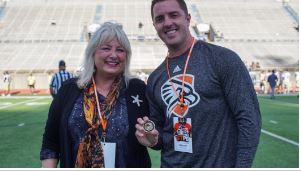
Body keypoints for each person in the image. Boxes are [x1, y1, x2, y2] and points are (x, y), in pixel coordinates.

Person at [135, 0, 261, 168]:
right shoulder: (155, 77)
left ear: (188, 19)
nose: (167, 23)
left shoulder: (222, 59)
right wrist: (152, 139)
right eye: (160, 18)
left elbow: (249, 118)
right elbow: (160, 135)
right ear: (155, 25)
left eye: (174, 15)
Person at [40, 22, 151, 168]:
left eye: (120, 50)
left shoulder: (137, 89)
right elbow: (51, 142)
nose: (113, 55)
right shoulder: (69, 90)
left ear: (127, 55)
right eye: (106, 48)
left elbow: (156, 131)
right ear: (92, 52)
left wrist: (153, 140)